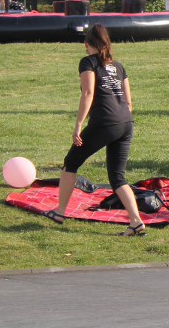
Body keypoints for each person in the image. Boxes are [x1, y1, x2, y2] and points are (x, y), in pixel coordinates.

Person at [42, 25, 146, 236]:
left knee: (71, 163)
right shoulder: (118, 66)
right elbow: (129, 101)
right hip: (126, 122)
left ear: (87, 44)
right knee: (118, 177)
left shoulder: (87, 62)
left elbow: (88, 93)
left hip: (104, 122)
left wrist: (79, 124)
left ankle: (60, 212)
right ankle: (136, 222)